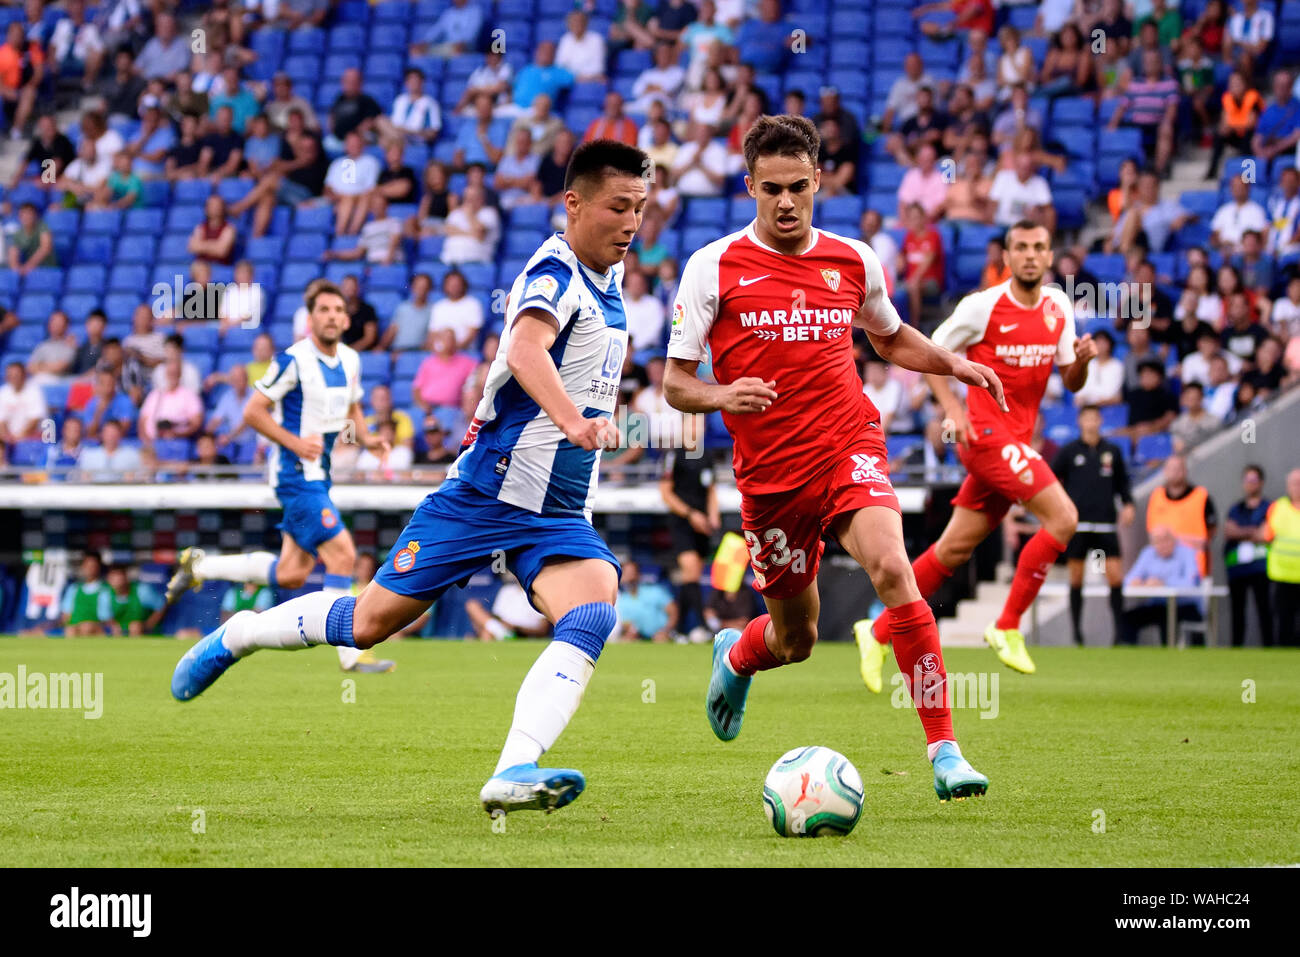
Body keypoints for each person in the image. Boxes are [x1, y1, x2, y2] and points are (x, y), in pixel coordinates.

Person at [170, 140, 652, 818]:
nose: (632, 222)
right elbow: (523, 348)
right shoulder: (554, 270)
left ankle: (514, 768)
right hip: (485, 493)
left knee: (595, 608)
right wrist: (573, 420)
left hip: (558, 509)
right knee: (366, 623)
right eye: (617, 206)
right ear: (572, 203)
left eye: (640, 208)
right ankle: (241, 632)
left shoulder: (611, 286)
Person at [665, 115, 1001, 800]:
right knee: (798, 641)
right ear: (750, 185)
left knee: (892, 567)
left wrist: (953, 363)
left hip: (849, 446)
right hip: (771, 480)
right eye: (770, 189)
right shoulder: (712, 267)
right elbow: (674, 383)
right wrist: (725, 390)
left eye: (797, 186)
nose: (785, 201)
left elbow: (891, 336)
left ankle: (945, 749)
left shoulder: (854, 259)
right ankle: (736, 654)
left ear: (819, 178)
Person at [165, 280, 395, 675]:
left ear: (346, 318)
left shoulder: (352, 361)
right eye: (324, 310)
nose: (332, 316)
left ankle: (199, 566)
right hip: (293, 476)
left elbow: (353, 408)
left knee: (292, 573)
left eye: (338, 310)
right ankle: (350, 655)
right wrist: (293, 442)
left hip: (319, 476)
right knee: (342, 553)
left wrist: (370, 440)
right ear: (310, 318)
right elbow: (254, 411)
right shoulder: (292, 360)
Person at [1052, 405, 1135, 645]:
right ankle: (1077, 634)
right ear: (1080, 421)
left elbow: (1123, 484)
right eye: (1087, 418)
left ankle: (1118, 635)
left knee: (1115, 578)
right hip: (1078, 526)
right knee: (1076, 579)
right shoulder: (1068, 451)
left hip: (1106, 525)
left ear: (1100, 421)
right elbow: (1050, 479)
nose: (1091, 423)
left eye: (1095, 418)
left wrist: (1128, 504)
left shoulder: (1112, 451)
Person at [658, 413, 717, 643]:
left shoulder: (707, 455)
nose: (696, 427)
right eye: (692, 421)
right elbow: (665, 493)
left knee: (691, 575)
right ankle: (702, 626)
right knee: (691, 568)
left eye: (700, 422)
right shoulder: (673, 455)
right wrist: (691, 514)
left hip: (702, 523)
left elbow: (711, 490)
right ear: (682, 425)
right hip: (682, 522)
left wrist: (713, 515)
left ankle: (680, 630)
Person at [1121, 525, 1203, 645]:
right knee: (1127, 619)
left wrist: (1164, 583)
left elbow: (1191, 583)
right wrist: (1137, 582)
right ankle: (1128, 654)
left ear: (1174, 539)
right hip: (1158, 605)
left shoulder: (1187, 553)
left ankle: (1190, 657)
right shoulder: (1148, 553)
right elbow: (1129, 579)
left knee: (1169, 620)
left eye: (1165, 539)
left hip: (1185, 605)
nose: (1162, 544)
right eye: (1157, 541)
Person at [1224, 464, 1273, 647]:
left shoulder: (1269, 507)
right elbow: (1229, 532)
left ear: (1261, 482)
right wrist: (1253, 531)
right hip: (1238, 568)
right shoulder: (1235, 508)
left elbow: (1266, 534)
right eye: (1247, 480)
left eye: (1254, 480)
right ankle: (1236, 647)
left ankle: (1269, 646)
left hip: (1261, 566)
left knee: (1264, 608)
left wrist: (1241, 531)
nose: (1250, 484)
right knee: (1237, 611)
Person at [1147, 454, 1217, 577]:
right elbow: (1152, 532)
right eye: (1170, 469)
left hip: (1195, 568)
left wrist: (1179, 541)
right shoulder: (1157, 496)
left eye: (1178, 469)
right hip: (1162, 568)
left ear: (1185, 471)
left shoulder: (1200, 496)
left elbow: (1211, 530)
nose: (1174, 473)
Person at [1262, 468, 1300, 646]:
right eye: (1294, 483)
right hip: (1282, 575)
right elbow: (1266, 536)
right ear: (1288, 486)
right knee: (1284, 621)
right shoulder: (1277, 507)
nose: (1297, 487)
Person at [466, 574, 551, 641]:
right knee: (472, 605)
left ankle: (495, 633)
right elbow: (497, 616)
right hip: (503, 627)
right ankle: (500, 633)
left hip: (521, 634)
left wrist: (516, 628)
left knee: (487, 633)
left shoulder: (538, 594)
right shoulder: (507, 590)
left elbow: (543, 630)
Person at [615, 559, 679, 642]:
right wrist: (630, 633)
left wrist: (665, 631)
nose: (630, 577)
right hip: (642, 638)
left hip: (667, 634)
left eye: (632, 573)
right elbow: (628, 625)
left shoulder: (655, 591)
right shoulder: (622, 600)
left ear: (639, 575)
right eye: (626, 574)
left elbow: (673, 611)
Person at [61, 553, 113, 637]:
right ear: (83, 567)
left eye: (93, 566)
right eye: (87, 566)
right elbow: (66, 616)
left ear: (99, 567)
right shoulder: (74, 588)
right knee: (70, 630)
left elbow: (108, 618)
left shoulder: (106, 589)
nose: (90, 569)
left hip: (97, 629)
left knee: (87, 628)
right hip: (74, 630)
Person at [106, 565, 164, 636]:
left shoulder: (142, 591)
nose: (117, 580)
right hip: (119, 630)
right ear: (109, 580)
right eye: (113, 578)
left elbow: (161, 606)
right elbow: (106, 617)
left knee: (134, 627)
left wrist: (148, 625)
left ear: (126, 577)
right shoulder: (106, 595)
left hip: (143, 629)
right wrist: (114, 626)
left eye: (119, 576)